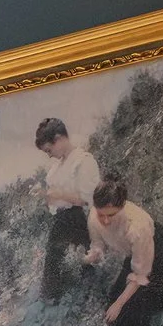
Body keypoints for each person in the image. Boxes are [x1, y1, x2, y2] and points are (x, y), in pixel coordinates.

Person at [83, 175, 163, 326]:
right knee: (114, 297)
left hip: (156, 249)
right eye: (101, 214)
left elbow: (140, 274)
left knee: (141, 302)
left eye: (111, 215)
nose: (105, 221)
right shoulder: (95, 215)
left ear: (122, 207)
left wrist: (119, 304)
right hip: (134, 254)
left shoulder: (138, 226)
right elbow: (98, 242)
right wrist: (93, 255)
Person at [34, 118, 101, 297]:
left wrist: (59, 195)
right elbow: (57, 200)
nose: (49, 155)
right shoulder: (56, 168)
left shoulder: (83, 161)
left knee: (82, 265)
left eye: (49, 150)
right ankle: (55, 299)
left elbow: (87, 200)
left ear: (58, 139)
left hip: (80, 219)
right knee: (58, 265)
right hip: (62, 220)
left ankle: (62, 299)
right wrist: (47, 197)